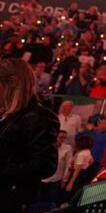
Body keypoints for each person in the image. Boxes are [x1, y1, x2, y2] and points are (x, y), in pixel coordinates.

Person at [0, 59, 60, 209]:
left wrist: (7, 169)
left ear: (12, 82)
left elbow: (46, 165)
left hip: (12, 200)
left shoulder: (38, 117)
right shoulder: (8, 115)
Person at [64, 135, 96, 200]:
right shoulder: (87, 151)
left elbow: (77, 170)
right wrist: (85, 166)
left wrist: (70, 183)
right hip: (84, 173)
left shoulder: (81, 155)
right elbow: (92, 161)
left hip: (78, 175)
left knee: (71, 194)